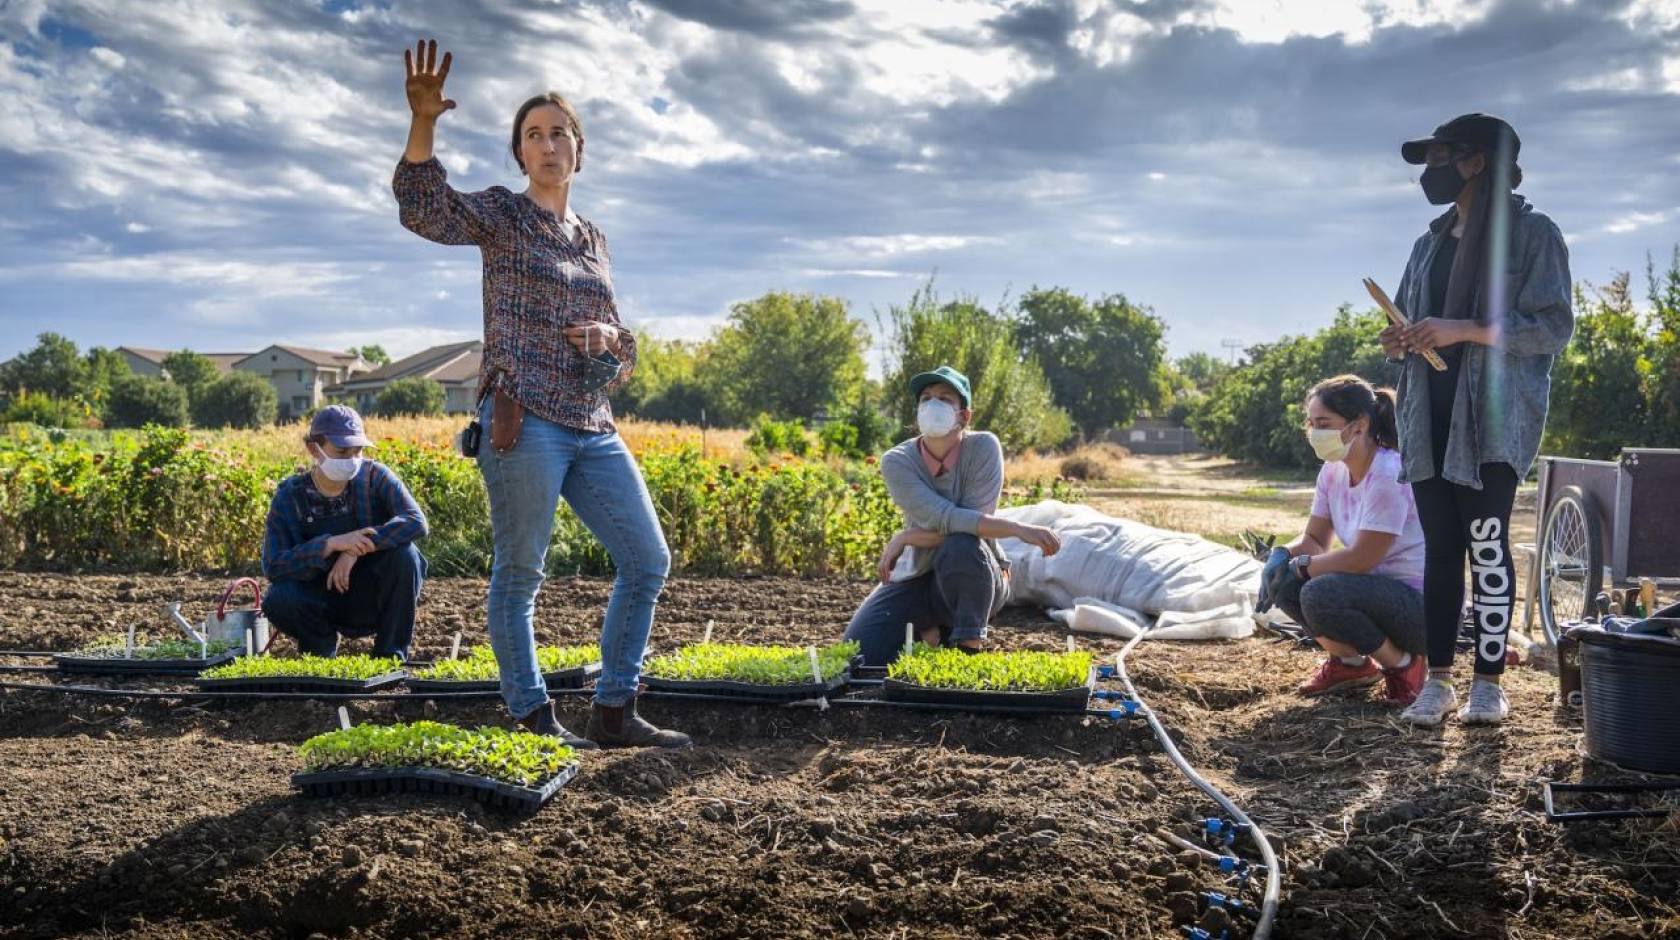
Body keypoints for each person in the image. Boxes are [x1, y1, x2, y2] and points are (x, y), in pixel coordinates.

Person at [391, 39, 687, 749]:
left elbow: (623, 343)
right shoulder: (501, 215)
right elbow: (423, 210)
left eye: (560, 133)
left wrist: (611, 344)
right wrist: (424, 122)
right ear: (520, 156)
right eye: (533, 135)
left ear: (579, 150)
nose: (548, 144)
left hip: (592, 421)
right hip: (523, 416)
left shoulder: (595, 239)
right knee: (520, 573)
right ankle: (531, 713)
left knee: (648, 560)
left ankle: (614, 710)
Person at [1379, 113, 1573, 726]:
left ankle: (1488, 684)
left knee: (1487, 546)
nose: (1430, 174)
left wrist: (1464, 329)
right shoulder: (1427, 243)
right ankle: (1438, 682)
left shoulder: (1535, 235)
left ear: (1478, 161)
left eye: (1441, 159)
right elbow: (1413, 321)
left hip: (1493, 419)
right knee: (1442, 550)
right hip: (1427, 415)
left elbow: (1552, 327)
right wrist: (1400, 340)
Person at [842, 366, 1063, 665]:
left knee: (960, 545)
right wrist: (1016, 528)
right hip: (918, 575)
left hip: (975, 573)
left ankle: (968, 651)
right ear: (917, 410)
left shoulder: (983, 447)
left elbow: (969, 528)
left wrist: (907, 537)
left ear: (964, 415)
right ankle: (931, 631)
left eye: (945, 399)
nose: (934, 404)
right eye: (926, 398)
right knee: (860, 654)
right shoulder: (897, 461)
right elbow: (946, 518)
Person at [1258, 376, 1429, 705]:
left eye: (1323, 423)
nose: (1314, 432)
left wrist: (1303, 566)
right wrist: (1281, 555)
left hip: (1419, 609)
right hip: (1371, 594)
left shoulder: (1388, 471)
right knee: (1287, 584)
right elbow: (1314, 539)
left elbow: (1363, 558)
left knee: (1319, 591)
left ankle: (1405, 666)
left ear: (1359, 425)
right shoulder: (1332, 471)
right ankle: (1351, 664)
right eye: (1311, 423)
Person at [261, 405, 428, 661]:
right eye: (341, 451)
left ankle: (390, 656)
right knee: (280, 597)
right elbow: (274, 564)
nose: (351, 459)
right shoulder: (290, 497)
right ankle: (318, 654)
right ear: (314, 449)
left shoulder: (375, 477)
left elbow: (416, 522)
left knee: (407, 556)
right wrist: (331, 545)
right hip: (317, 598)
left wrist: (355, 548)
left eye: (357, 450)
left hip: (367, 594)